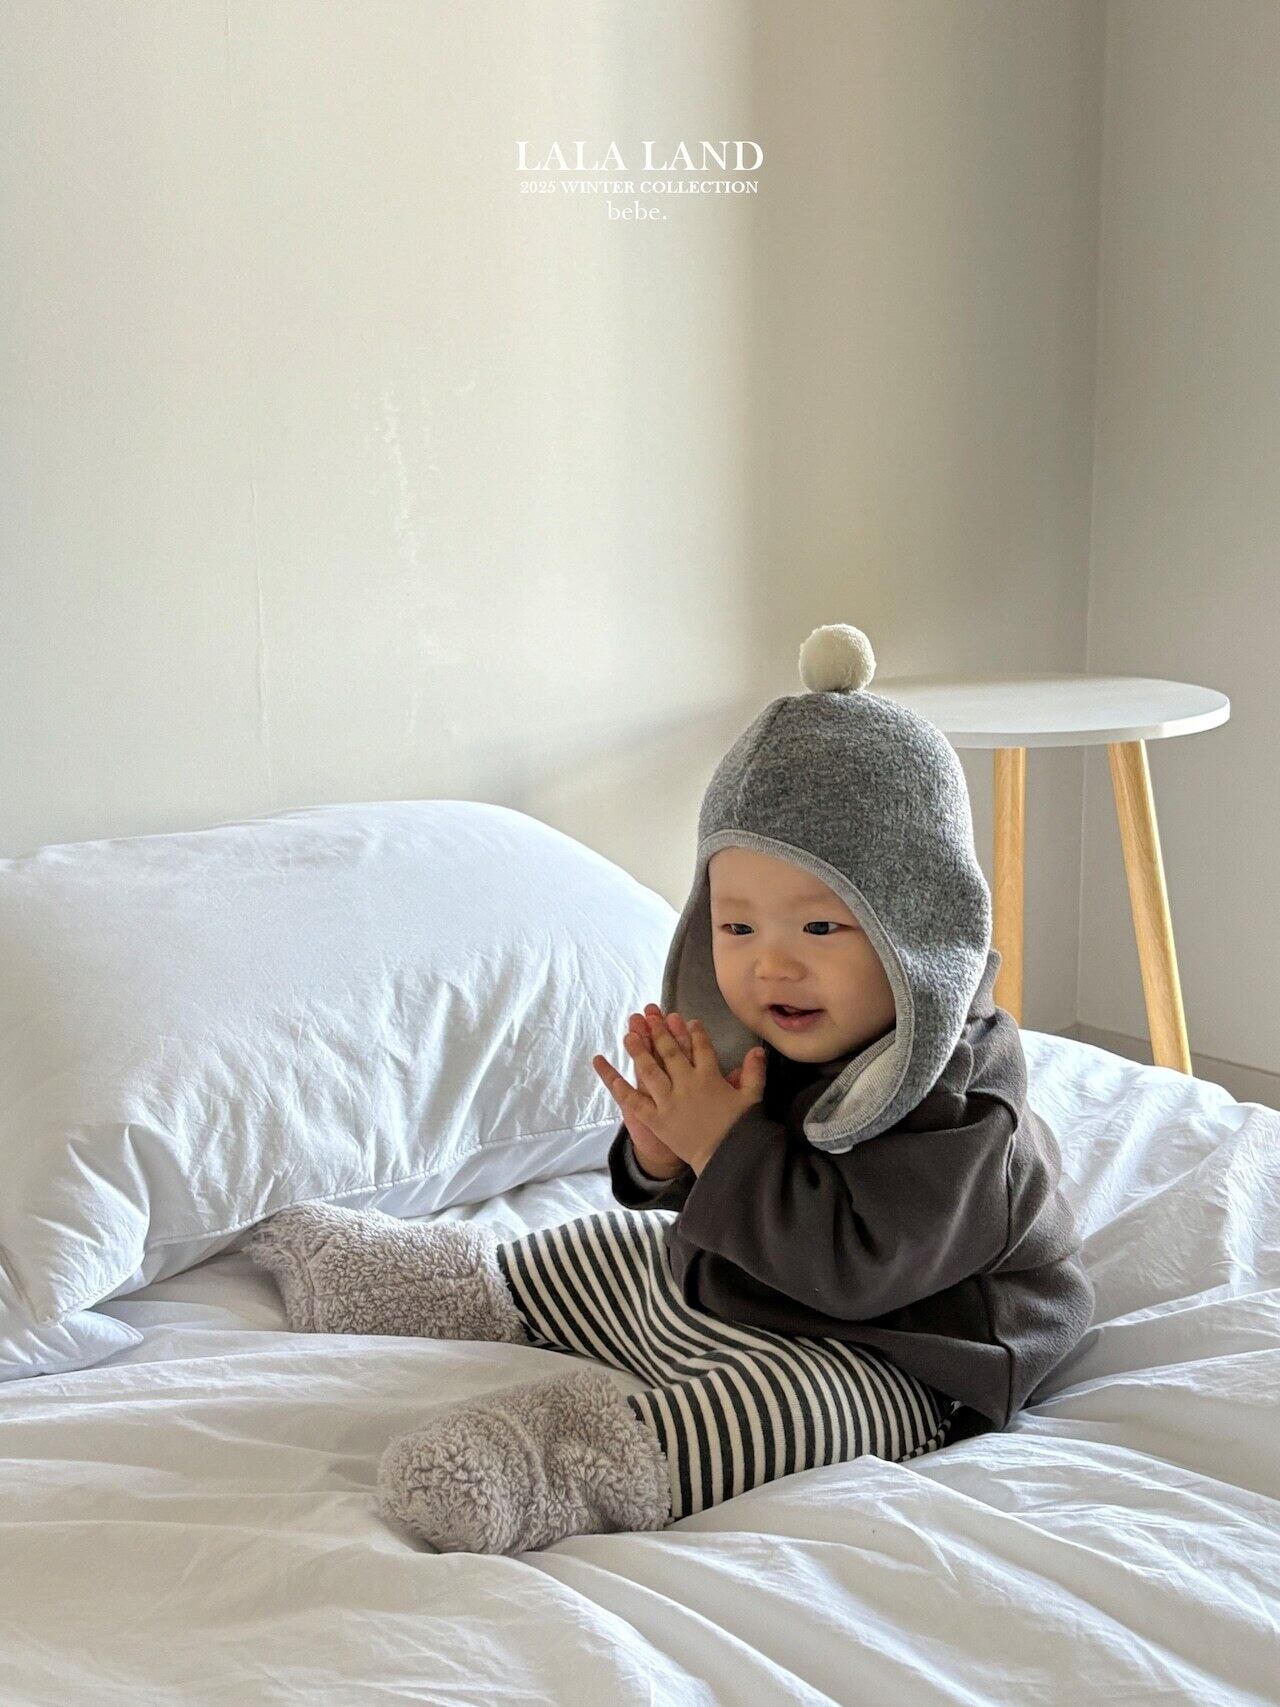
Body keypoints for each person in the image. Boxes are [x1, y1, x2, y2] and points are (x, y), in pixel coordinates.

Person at [246, 623, 1095, 1555]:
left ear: (917, 930)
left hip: (910, 1350)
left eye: (820, 927)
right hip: (753, 1290)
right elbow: (718, 1197)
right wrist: (664, 1150)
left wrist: (723, 1143)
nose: (772, 965)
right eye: (737, 926)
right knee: (621, 1249)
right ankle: (454, 1281)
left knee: (786, 1411)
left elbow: (858, 1269)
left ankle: (559, 1460)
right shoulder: (782, 1023)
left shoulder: (964, 1107)